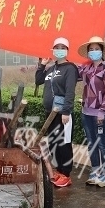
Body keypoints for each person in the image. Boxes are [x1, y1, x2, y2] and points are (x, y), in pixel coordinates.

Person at [35, 37, 79, 188]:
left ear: (67, 50)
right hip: (50, 113)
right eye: (57, 47)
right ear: (53, 50)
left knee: (63, 143)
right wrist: (42, 65)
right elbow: (38, 80)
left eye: (63, 48)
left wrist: (66, 111)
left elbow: (70, 91)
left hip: (62, 113)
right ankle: (59, 171)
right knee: (54, 142)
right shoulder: (52, 69)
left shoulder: (70, 68)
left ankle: (66, 174)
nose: (59, 50)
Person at [77, 36, 105, 187]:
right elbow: (75, 72)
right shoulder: (87, 68)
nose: (94, 52)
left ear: (102, 51)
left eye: (97, 49)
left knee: (102, 143)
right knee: (91, 143)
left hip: (102, 113)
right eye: (91, 49)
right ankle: (95, 170)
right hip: (87, 112)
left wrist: (102, 110)